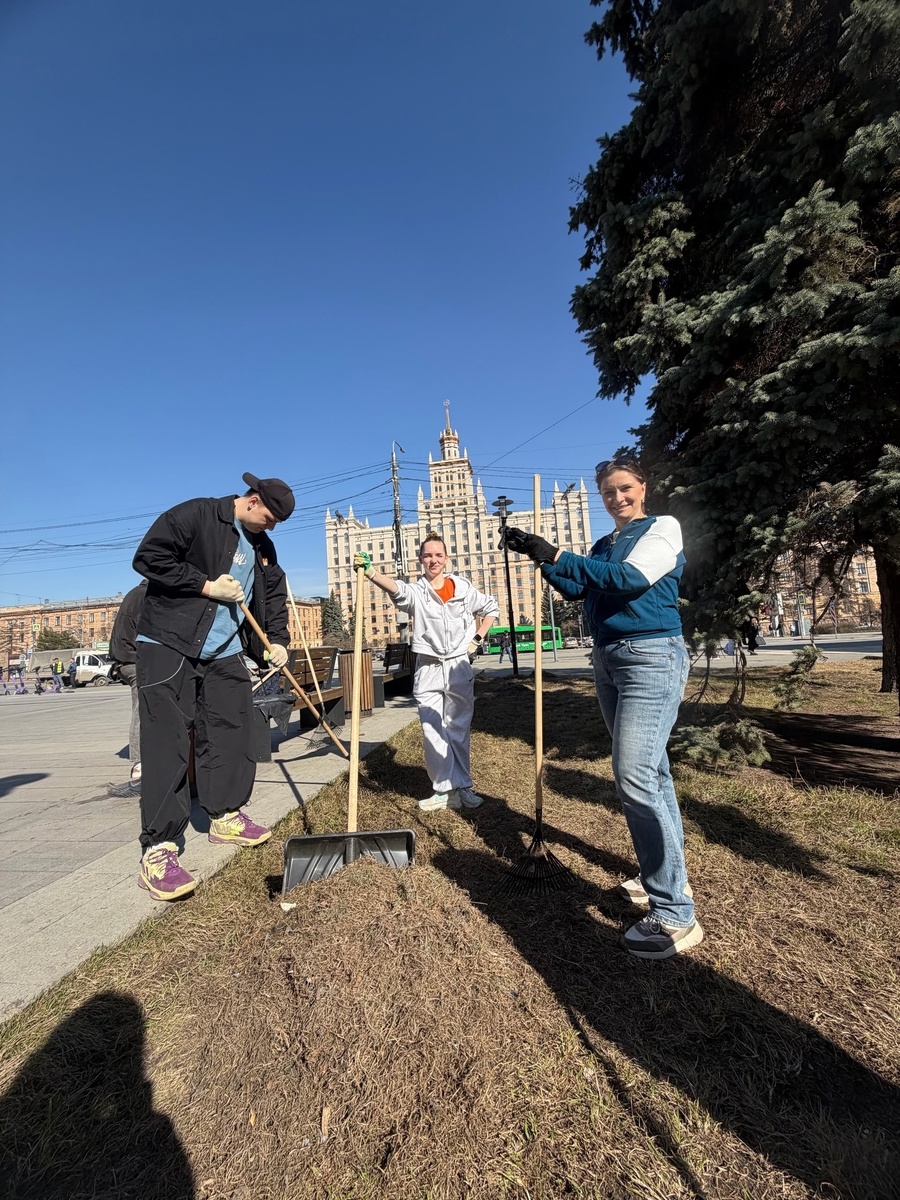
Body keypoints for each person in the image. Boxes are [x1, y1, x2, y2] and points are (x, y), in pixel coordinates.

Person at [503, 456, 701, 960]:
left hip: (651, 655)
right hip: (609, 658)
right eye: (609, 492)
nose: (618, 498)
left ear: (643, 487)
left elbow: (629, 580)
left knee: (633, 775)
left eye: (625, 488)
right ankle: (664, 877)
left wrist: (557, 552)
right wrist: (540, 557)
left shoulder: (662, 529)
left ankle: (676, 914)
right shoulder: (602, 545)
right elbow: (580, 589)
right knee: (653, 775)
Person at [132, 472, 294, 901]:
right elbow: (149, 557)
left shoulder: (263, 547)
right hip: (169, 642)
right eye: (270, 518)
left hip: (224, 649)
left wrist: (277, 642)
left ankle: (226, 815)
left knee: (231, 728)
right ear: (253, 500)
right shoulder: (197, 515)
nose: (271, 528)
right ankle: (159, 848)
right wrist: (205, 585)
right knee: (167, 741)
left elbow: (271, 598)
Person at [354, 534, 499, 811]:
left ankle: (463, 786)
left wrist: (476, 639)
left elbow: (491, 608)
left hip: (458, 666)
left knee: (458, 728)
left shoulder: (463, 589)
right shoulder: (417, 592)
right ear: (421, 559)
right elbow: (398, 590)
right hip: (428, 667)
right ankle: (444, 790)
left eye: (438, 555)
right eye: (428, 555)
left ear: (446, 559)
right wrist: (371, 573)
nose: (433, 560)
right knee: (432, 730)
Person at [109, 580, 148, 789]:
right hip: (134, 660)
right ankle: (140, 763)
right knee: (142, 709)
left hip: (125, 660)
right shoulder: (146, 596)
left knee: (143, 708)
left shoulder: (134, 594)